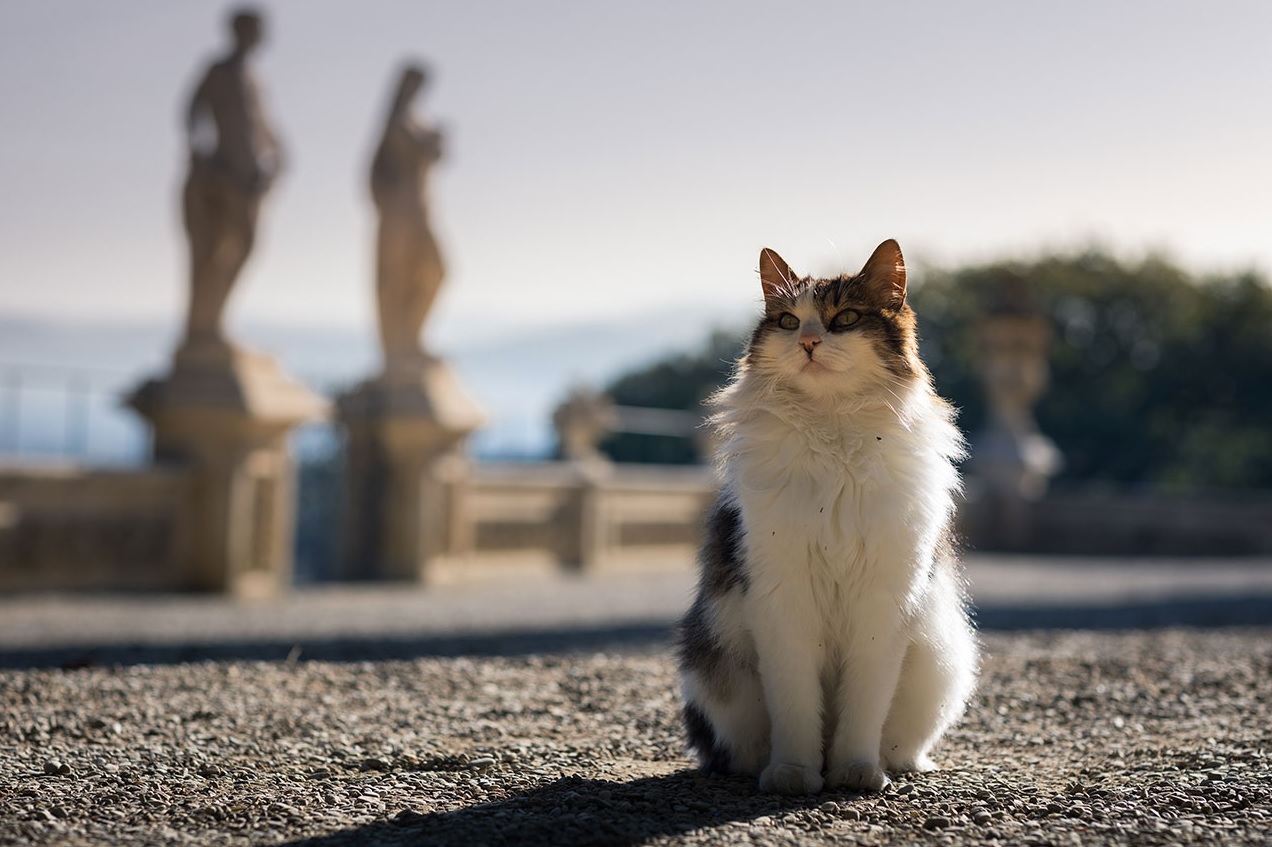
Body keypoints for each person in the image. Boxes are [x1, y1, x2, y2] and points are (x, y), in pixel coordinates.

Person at [181, 8, 285, 350]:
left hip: (249, 179)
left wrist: (278, 158)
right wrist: (202, 155)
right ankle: (204, 325)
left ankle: (214, 320)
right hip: (223, 176)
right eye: (254, 28)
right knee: (214, 251)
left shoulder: (254, 78)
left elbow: (263, 127)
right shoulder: (220, 70)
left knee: (245, 246)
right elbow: (193, 112)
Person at [370, 64, 445, 371]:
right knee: (396, 280)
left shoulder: (414, 122)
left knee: (436, 271)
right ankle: (400, 345)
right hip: (400, 215)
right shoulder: (394, 123)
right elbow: (373, 173)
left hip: (419, 212)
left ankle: (412, 338)